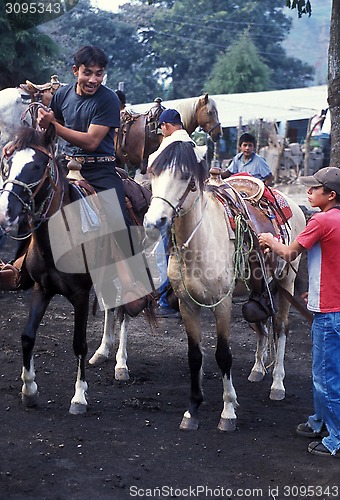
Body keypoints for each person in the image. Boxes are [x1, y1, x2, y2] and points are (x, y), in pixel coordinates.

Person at [258, 166, 340, 459]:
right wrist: (315, 291)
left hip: (330, 314)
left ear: (330, 195)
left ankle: (337, 439)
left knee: (325, 376)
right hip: (332, 303)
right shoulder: (338, 219)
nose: (309, 191)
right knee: (326, 372)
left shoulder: (320, 221)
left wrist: (269, 241)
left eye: (315, 188)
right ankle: (320, 421)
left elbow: (290, 253)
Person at [148, 108, 204, 319]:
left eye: (161, 128)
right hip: (191, 209)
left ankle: (164, 300)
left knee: (161, 253)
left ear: (165, 126)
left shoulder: (170, 145)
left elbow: (152, 166)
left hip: (170, 207)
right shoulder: (191, 145)